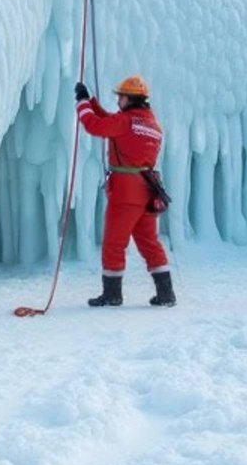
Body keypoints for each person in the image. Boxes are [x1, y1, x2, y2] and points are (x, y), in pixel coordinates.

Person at [74, 75, 175, 308]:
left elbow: (95, 126)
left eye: (121, 96)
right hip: (149, 189)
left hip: (126, 190)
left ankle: (112, 295)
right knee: (149, 241)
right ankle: (166, 293)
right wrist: (92, 103)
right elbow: (114, 123)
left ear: (130, 99)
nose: (118, 99)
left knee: (114, 242)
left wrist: (81, 103)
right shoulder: (151, 124)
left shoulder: (126, 122)